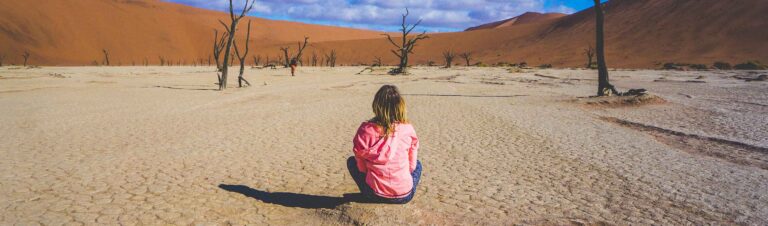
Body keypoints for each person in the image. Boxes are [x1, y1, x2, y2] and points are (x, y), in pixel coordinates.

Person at [347, 85, 421, 204]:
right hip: (405, 195)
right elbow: (411, 167)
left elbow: (361, 168)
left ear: (376, 105)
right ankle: (401, 186)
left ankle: (370, 192)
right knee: (418, 164)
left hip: (374, 193)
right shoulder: (407, 128)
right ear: (400, 106)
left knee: (351, 161)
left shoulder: (365, 129)